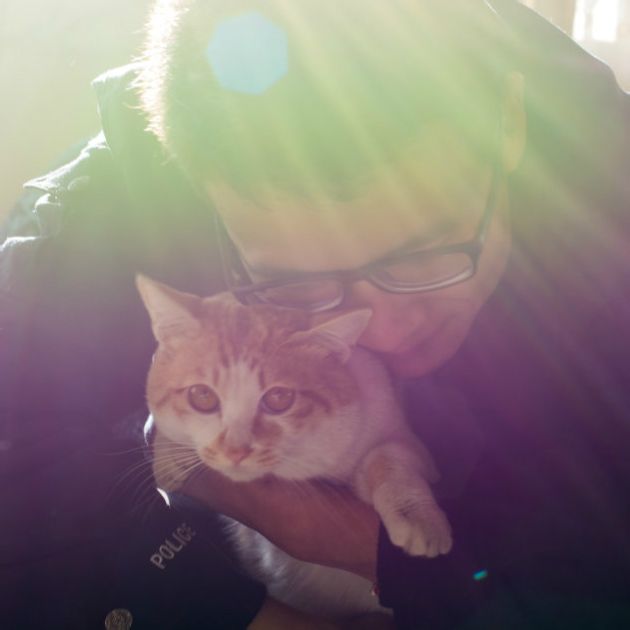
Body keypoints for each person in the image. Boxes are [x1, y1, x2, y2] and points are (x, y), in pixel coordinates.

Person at [2, 0, 630, 628]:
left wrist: (372, 551)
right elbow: (24, 485)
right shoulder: (96, 212)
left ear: (509, 123)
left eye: (424, 256)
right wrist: (250, 614)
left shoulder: (610, 214)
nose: (379, 332)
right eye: (292, 282)